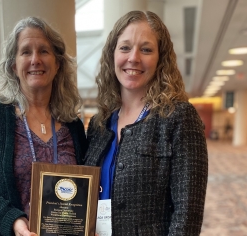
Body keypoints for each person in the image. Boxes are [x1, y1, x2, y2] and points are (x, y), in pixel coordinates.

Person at [0, 17, 87, 236]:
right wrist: (11, 220)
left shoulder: (72, 124)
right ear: (14, 65)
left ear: (58, 63)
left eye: (44, 51)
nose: (35, 60)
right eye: (25, 52)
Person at [84, 11, 208, 235]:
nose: (133, 58)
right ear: (112, 54)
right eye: (125, 47)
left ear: (161, 58)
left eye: (146, 49)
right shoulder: (98, 124)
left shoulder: (178, 117)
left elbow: (187, 216)